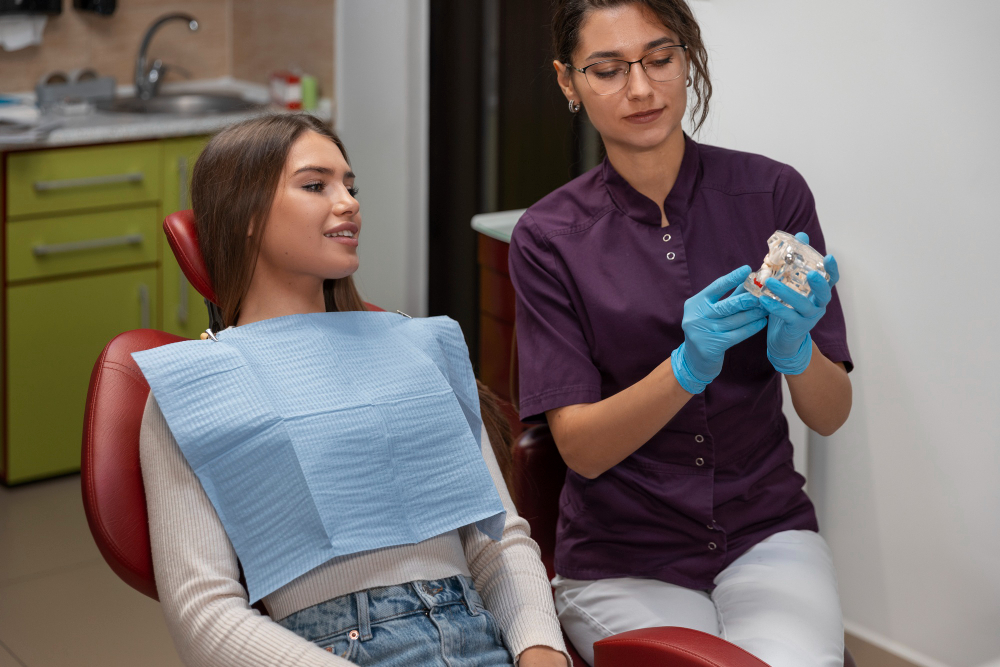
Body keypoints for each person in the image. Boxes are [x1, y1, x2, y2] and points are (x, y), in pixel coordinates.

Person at [138, 114, 569, 667]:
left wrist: (541, 649)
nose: (348, 203)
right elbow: (204, 614)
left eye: (350, 186)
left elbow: (497, 540)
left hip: (482, 640)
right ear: (245, 212)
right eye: (315, 185)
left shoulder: (419, 346)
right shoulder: (194, 385)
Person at [507, 2, 853, 666]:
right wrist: (686, 368)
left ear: (687, 59)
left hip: (764, 531)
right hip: (623, 555)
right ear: (568, 81)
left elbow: (830, 414)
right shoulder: (549, 238)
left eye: (660, 58)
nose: (641, 89)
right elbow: (580, 450)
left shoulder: (772, 193)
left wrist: (797, 350)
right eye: (607, 69)